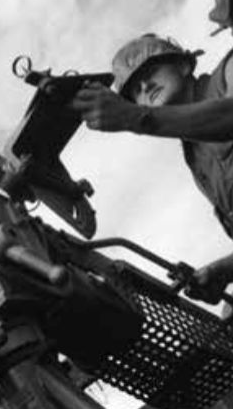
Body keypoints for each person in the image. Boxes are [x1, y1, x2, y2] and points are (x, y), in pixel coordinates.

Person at [71, 32, 233, 303]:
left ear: (183, 65)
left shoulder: (229, 70)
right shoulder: (196, 158)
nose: (144, 86)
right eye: (134, 90)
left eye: (152, 70)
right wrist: (225, 270)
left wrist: (137, 118)